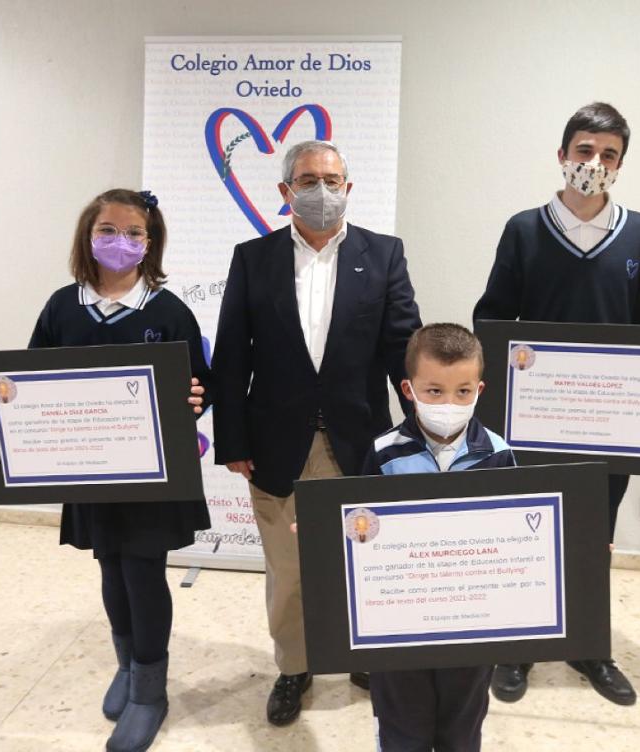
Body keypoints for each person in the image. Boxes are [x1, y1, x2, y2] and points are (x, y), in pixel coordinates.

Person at [0, 189, 209, 752]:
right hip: (89, 472)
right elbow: (24, 382)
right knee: (111, 568)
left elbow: (201, 383)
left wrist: (195, 396)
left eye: (135, 233)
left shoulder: (168, 312)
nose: (122, 242)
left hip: (152, 478)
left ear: (151, 241)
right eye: (109, 230)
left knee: (143, 572)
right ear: (87, 236)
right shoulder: (62, 306)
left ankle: (150, 690)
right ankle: (127, 666)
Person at [212, 140, 422, 726]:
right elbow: (232, 357)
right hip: (277, 441)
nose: (322, 191)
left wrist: (418, 438)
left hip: (360, 441)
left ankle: (361, 656)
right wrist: (233, 440)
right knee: (288, 568)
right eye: (308, 180)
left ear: (349, 188)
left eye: (333, 180)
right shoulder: (252, 259)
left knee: (362, 559)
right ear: (285, 192)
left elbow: (404, 351)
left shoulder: (383, 256)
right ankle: (295, 666)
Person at [472, 101, 640, 707]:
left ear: (621, 164)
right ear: (563, 155)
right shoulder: (524, 228)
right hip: (535, 419)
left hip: (611, 423)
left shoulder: (638, 231)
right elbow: (490, 315)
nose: (595, 163)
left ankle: (590, 644)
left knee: (594, 535)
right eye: (584, 150)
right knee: (529, 528)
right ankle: (518, 647)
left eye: (608, 154)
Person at [362, 323, 515, 752]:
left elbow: (517, 539)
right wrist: (323, 536)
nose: (449, 403)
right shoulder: (382, 453)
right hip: (399, 630)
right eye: (434, 391)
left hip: (471, 630)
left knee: (461, 731)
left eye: (463, 391)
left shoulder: (501, 455)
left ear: (480, 389)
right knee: (402, 730)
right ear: (408, 390)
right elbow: (360, 529)